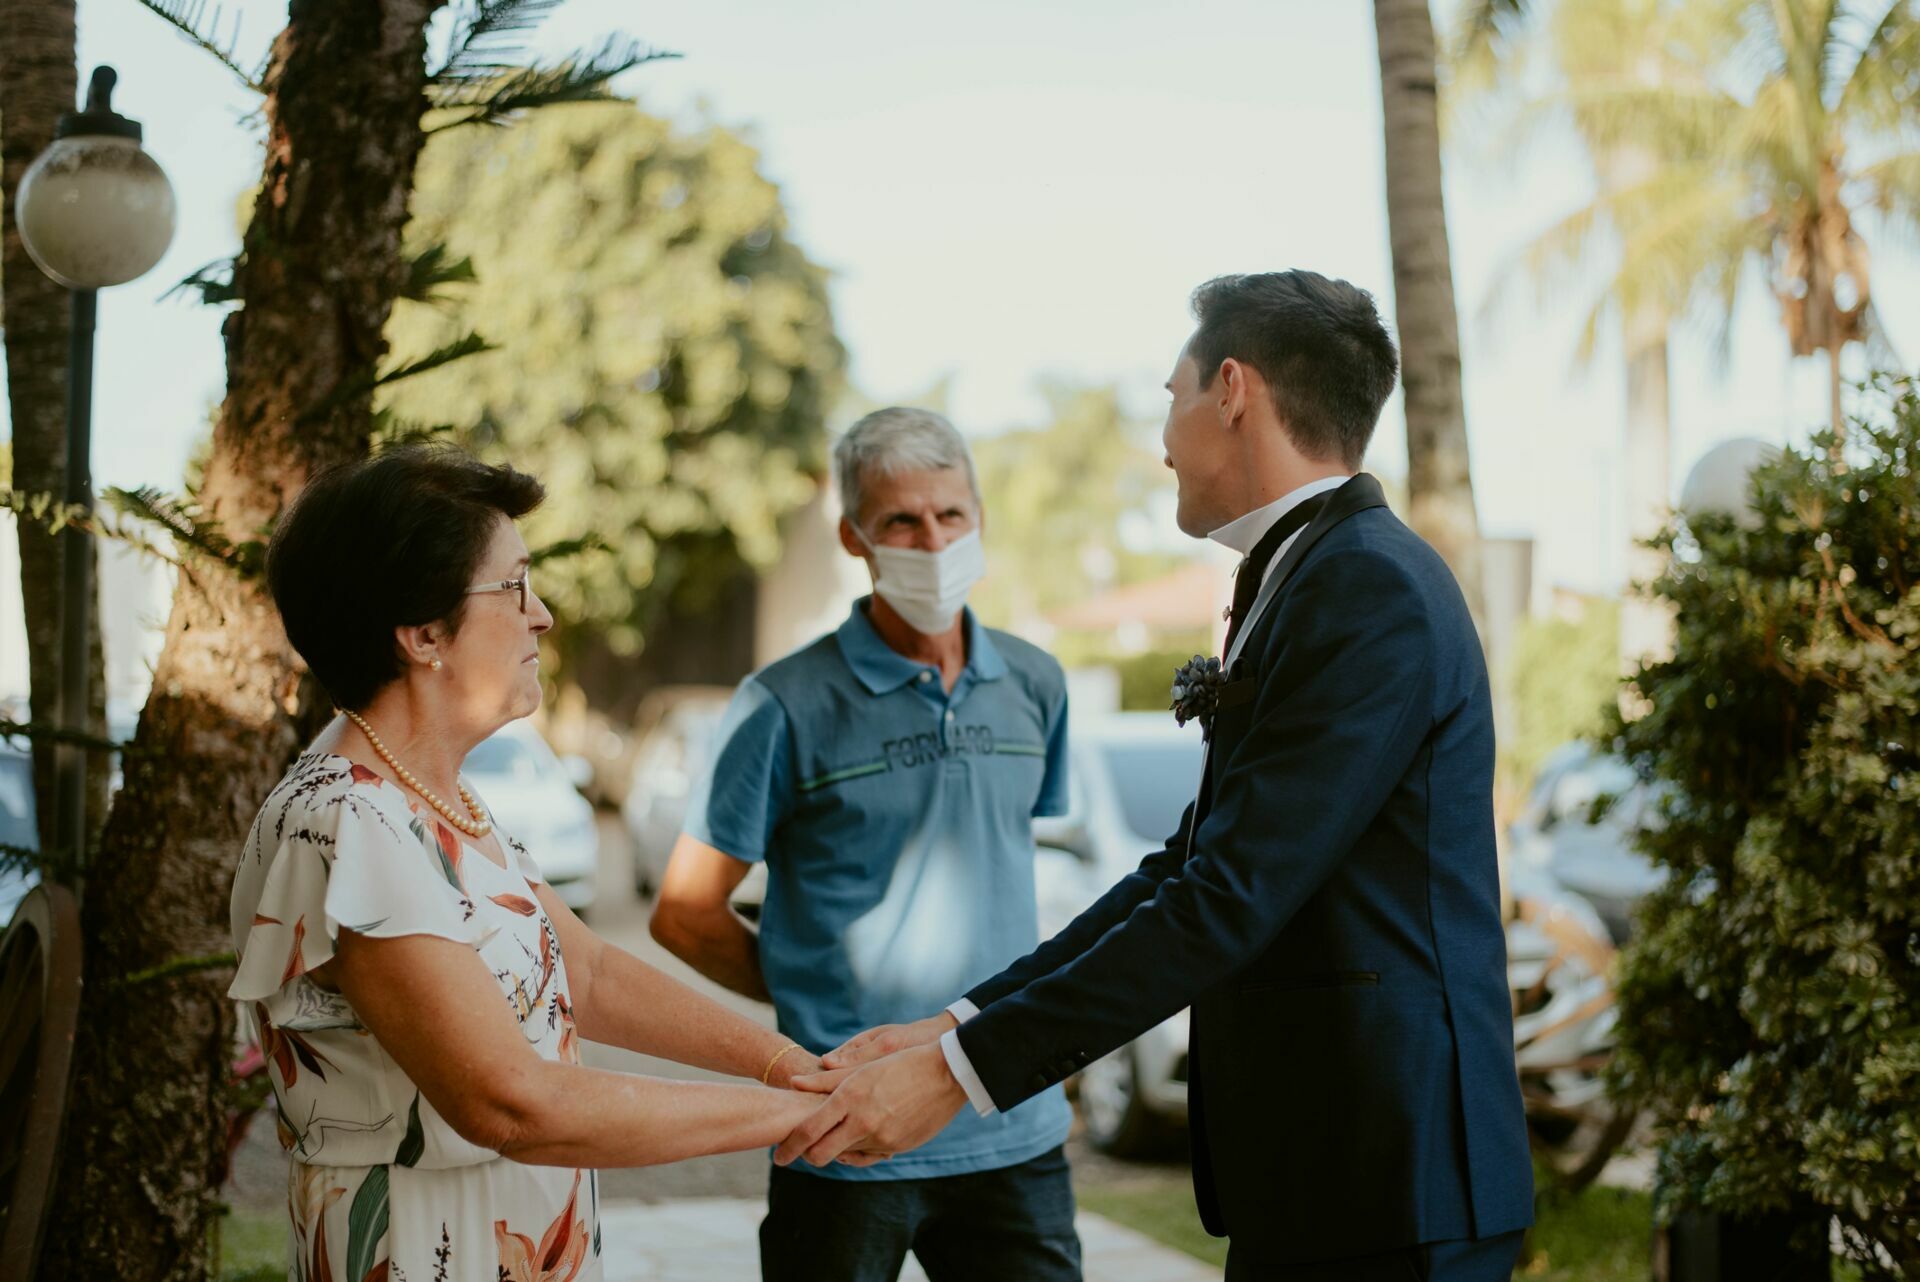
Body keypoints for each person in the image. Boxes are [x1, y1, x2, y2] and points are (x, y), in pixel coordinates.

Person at [782, 273, 1536, 1281]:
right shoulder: (1308, 573)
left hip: (1392, 1175)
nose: (1164, 437)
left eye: (1169, 398)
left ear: (1233, 389)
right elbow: (1185, 866)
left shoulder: (1367, 584)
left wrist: (958, 1078)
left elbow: (1226, 901)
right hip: (1327, 1174)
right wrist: (958, 1022)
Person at [228, 446, 827, 1282]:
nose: (541, 614)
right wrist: (797, 1116)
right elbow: (510, 1101)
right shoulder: (350, 819)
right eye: (513, 586)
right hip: (428, 1248)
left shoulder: (441, 795)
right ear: (423, 632)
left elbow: (590, 972)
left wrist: (793, 1066)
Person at [648, 407, 1082, 1282]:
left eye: (950, 515)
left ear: (979, 518)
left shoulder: (1036, 683)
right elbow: (684, 914)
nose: (932, 540)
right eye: (900, 521)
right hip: (845, 1130)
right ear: (854, 536)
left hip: (1010, 1119)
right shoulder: (781, 704)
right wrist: (823, 1009)